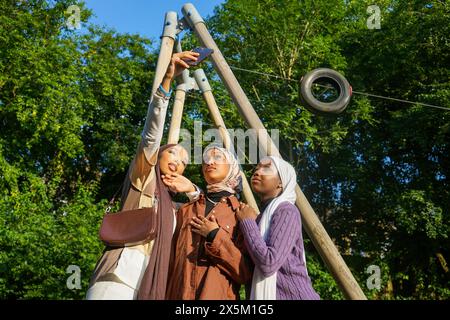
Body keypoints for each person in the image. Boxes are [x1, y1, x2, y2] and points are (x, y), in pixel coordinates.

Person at [86, 50, 201, 300]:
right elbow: (151, 135)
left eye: (184, 162)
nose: (178, 163)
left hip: (154, 287)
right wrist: (167, 82)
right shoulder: (143, 178)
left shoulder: (175, 207)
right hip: (117, 279)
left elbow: (202, 214)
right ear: (158, 156)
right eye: (173, 154)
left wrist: (193, 191)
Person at [165, 145, 252, 300]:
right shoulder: (185, 210)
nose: (210, 162)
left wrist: (215, 235)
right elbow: (169, 261)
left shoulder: (242, 213)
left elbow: (245, 272)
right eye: (205, 159)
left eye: (218, 157)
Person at [236, 156, 320, 300]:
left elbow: (269, 263)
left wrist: (248, 222)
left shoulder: (286, 210)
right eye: (256, 169)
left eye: (266, 168)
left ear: (281, 182)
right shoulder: (262, 217)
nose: (257, 172)